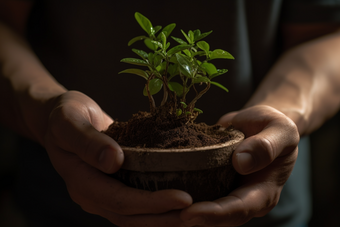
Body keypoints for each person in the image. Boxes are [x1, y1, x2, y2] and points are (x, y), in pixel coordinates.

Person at [1, 0, 340, 226]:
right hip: (57, 210)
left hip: (263, 211)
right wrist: (45, 109)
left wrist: (284, 114)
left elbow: (325, 35)